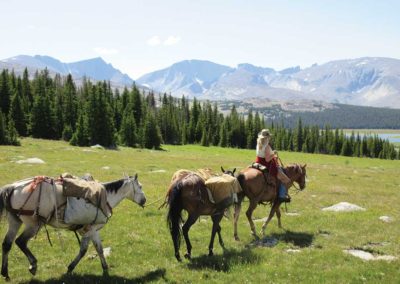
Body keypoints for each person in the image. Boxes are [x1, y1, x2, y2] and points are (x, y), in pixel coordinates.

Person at [255, 129, 291, 202]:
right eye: (269, 137)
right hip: (267, 164)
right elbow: (267, 159)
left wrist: (272, 155)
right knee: (286, 180)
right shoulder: (267, 146)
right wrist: (274, 153)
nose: (269, 138)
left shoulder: (259, 143)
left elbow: (263, 156)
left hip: (258, 162)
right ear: (267, 137)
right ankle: (281, 196)